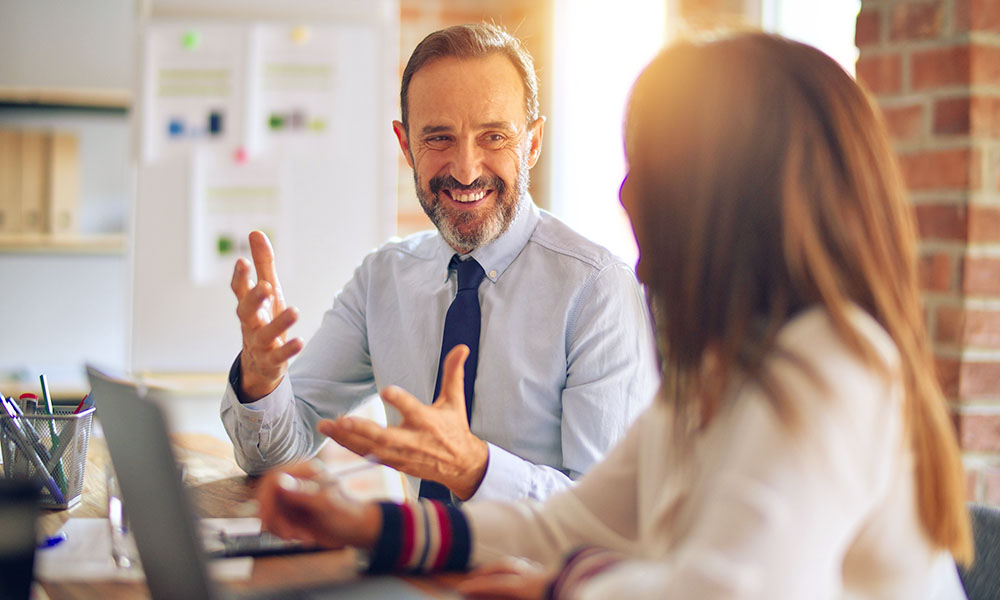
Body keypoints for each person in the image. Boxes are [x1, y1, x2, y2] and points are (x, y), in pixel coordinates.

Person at [253, 31, 974, 598]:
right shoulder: (718, 372)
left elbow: (721, 594)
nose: (627, 195)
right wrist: (371, 526)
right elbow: (566, 524)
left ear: (732, 194)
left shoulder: (830, 368)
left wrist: (565, 586)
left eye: (650, 167)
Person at [221, 23, 658, 503]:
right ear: (406, 145)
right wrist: (261, 383)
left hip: (534, 577)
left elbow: (608, 514)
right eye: (439, 138)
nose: (466, 169)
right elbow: (276, 455)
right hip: (413, 566)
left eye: (493, 136)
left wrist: (476, 471)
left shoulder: (597, 290)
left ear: (531, 144)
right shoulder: (382, 279)